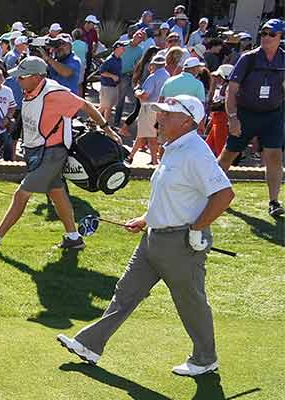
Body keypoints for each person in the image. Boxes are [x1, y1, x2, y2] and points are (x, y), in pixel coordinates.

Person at [58, 96, 234, 377]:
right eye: (161, 113)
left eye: (167, 115)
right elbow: (170, 195)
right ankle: (89, 343)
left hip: (180, 243)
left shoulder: (196, 153)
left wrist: (198, 228)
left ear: (187, 121)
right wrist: (145, 219)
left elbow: (224, 194)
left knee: (190, 301)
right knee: (126, 292)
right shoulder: (173, 148)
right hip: (153, 238)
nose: (159, 119)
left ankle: (205, 358)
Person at [0, 57, 115, 254]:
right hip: (37, 152)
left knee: (21, 194)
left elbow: (86, 106)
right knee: (57, 193)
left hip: (52, 154)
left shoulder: (54, 93)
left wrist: (108, 130)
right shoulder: (29, 89)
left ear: (37, 77)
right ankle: (73, 238)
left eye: (22, 77)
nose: (18, 80)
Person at [217, 19, 284, 217]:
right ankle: (211, 191)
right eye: (263, 33)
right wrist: (233, 118)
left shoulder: (283, 60)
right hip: (245, 114)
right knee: (229, 154)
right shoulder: (249, 58)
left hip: (273, 115)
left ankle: (274, 201)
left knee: (274, 156)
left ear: (280, 37)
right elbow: (232, 90)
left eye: (271, 34)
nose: (266, 37)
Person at [133, 52, 171, 164]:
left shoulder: (153, 77)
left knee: (150, 135)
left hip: (149, 108)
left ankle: (154, 160)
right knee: (151, 134)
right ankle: (132, 156)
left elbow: (145, 95)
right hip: (163, 108)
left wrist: (137, 92)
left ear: (153, 65)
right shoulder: (168, 76)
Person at [98, 39, 126, 120]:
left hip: (114, 86)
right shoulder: (109, 60)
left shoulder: (119, 59)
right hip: (107, 87)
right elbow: (102, 72)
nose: (124, 49)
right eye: (122, 47)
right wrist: (112, 76)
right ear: (117, 48)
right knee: (104, 107)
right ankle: (91, 120)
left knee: (108, 107)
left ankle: (106, 124)